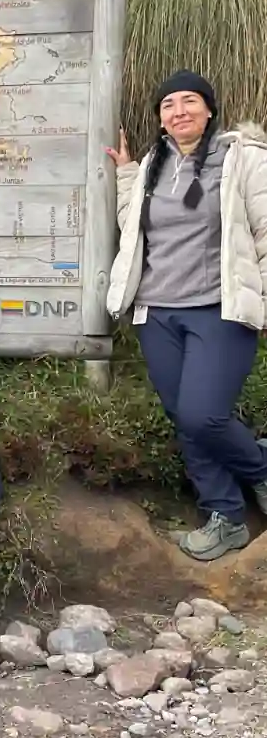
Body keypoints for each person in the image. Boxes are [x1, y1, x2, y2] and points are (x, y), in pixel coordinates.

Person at [106, 70, 267, 560]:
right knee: (184, 416)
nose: (179, 111)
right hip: (158, 312)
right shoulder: (156, 164)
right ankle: (225, 516)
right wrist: (129, 173)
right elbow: (134, 226)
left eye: (190, 101)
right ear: (160, 118)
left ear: (210, 110)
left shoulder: (244, 158)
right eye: (168, 104)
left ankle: (259, 469)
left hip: (220, 308)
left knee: (204, 413)